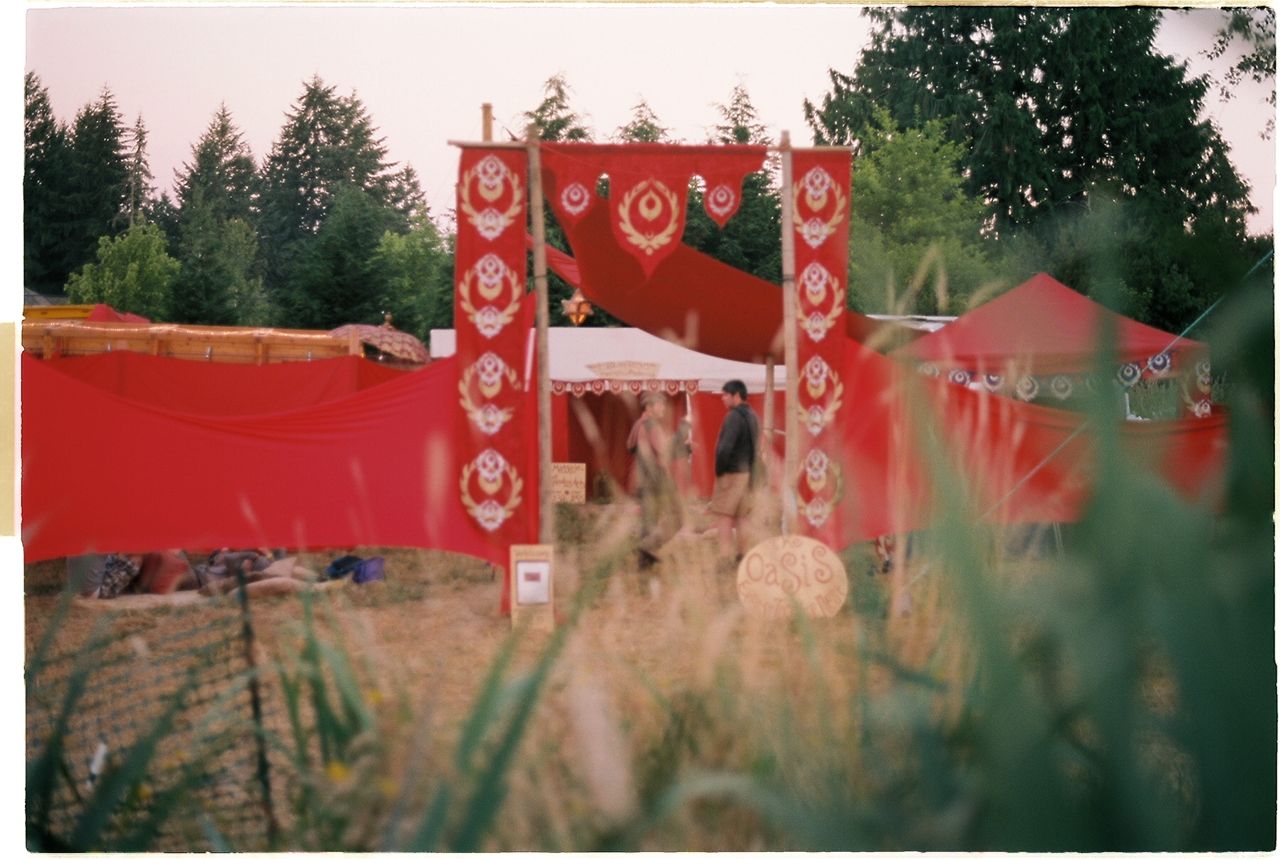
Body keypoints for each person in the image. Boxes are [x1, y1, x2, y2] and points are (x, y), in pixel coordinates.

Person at [626, 391, 682, 568]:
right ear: (649, 407)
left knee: (649, 522)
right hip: (657, 481)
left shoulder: (638, 425)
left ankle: (644, 563)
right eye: (660, 404)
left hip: (643, 481)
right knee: (677, 517)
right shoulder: (651, 425)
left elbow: (630, 446)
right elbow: (665, 452)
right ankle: (646, 549)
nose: (664, 407)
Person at [710, 379, 761, 567]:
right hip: (747, 473)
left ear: (736, 395)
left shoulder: (733, 417)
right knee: (742, 517)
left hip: (731, 473)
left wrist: (719, 470)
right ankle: (743, 556)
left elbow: (725, 448)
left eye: (725, 394)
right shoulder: (753, 416)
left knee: (724, 515)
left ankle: (725, 558)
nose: (723, 398)